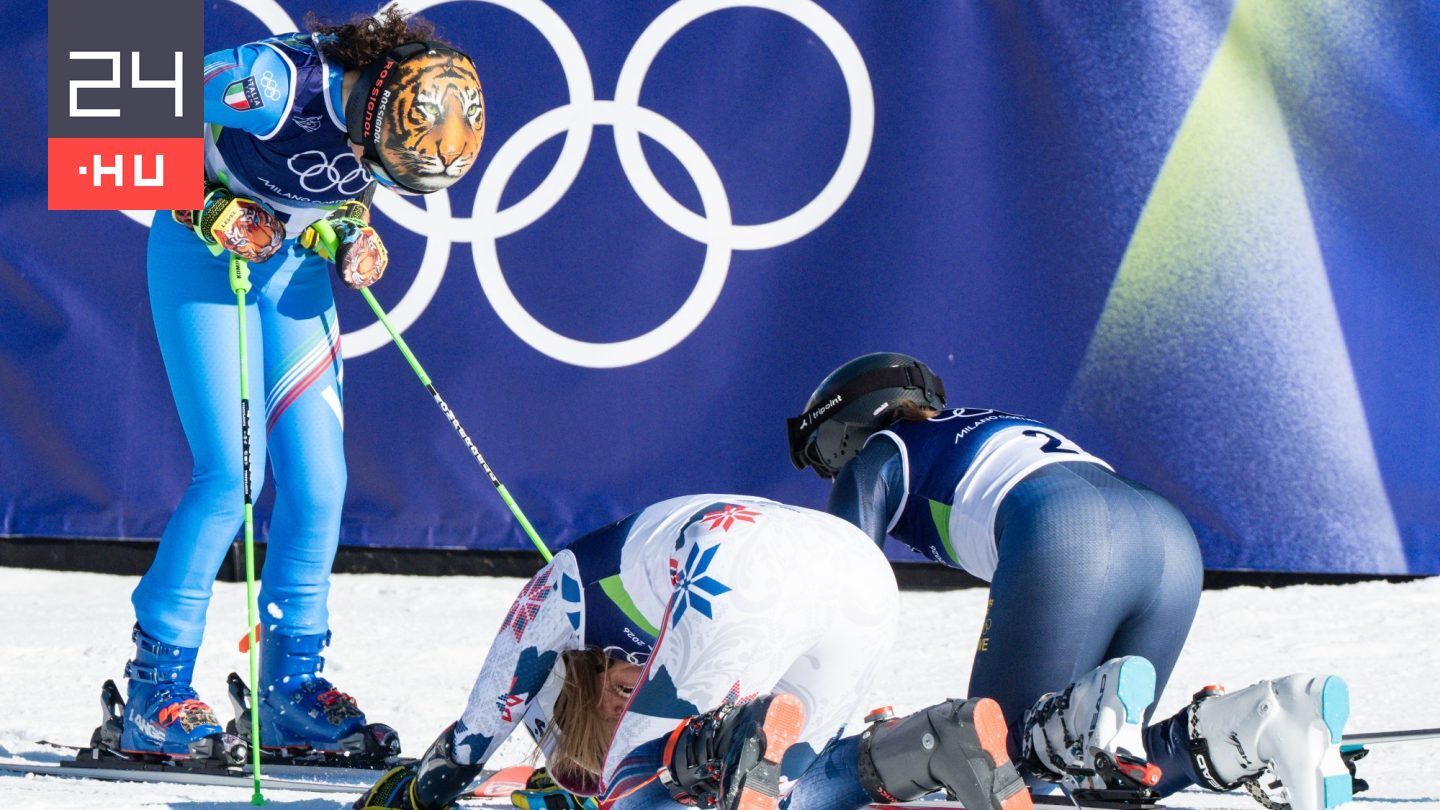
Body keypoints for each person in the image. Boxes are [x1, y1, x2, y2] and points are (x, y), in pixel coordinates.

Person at [118, 8, 486, 762]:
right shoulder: (269, 84)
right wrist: (210, 204)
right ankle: (156, 688)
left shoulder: (388, 111)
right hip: (202, 260)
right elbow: (116, 114)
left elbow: (346, 182)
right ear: (371, 105)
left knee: (320, 484)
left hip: (294, 272)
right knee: (233, 477)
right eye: (378, 160)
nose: (372, 172)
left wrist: (349, 224)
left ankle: (291, 689)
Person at [785, 352, 1354, 810]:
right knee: (1107, 768)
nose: (832, 472)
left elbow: (841, 595)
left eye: (824, 454)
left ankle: (1108, 723)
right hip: (1168, 540)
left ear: (845, 428)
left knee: (994, 758)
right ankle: (1264, 723)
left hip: (1065, 533)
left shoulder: (876, 455)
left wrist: (801, 746)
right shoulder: (980, 421)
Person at [355, 494, 1033, 810]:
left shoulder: (560, 593)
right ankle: (936, 743)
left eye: (620, 697)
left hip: (744, 559)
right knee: (795, 794)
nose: (630, 705)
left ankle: (724, 741)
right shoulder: (641, 616)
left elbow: (479, 726)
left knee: (642, 790)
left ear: (572, 684)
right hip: (858, 573)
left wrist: (414, 796)